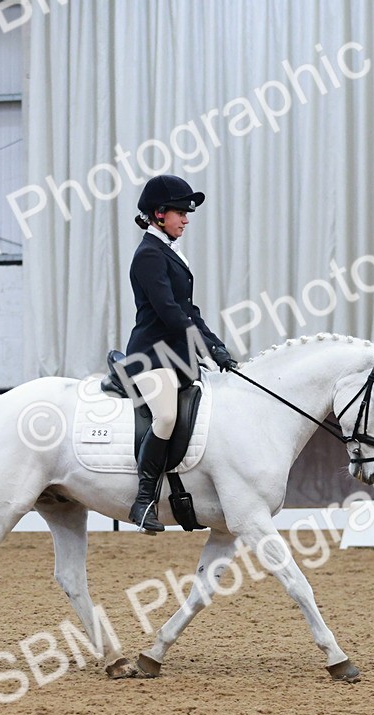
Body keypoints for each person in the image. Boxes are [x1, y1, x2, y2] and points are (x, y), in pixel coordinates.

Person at [123, 174, 238, 532]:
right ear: (159, 214)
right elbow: (170, 313)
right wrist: (202, 345)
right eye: (180, 213)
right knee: (167, 417)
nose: (186, 220)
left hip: (176, 357)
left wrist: (217, 347)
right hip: (151, 357)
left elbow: (189, 311)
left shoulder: (170, 252)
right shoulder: (148, 254)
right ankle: (143, 500)